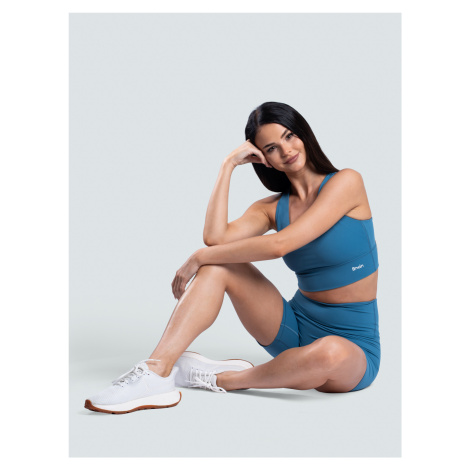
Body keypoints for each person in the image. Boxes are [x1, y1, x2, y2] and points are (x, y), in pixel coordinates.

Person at [84, 101, 381, 414]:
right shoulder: (271, 208)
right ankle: (156, 372)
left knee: (329, 353)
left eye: (289, 136)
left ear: (303, 134)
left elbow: (280, 245)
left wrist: (199, 256)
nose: (286, 150)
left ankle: (223, 379)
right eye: (272, 148)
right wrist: (227, 165)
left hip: (354, 346)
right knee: (218, 265)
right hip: (294, 327)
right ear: (264, 159)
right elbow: (216, 237)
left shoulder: (347, 182)